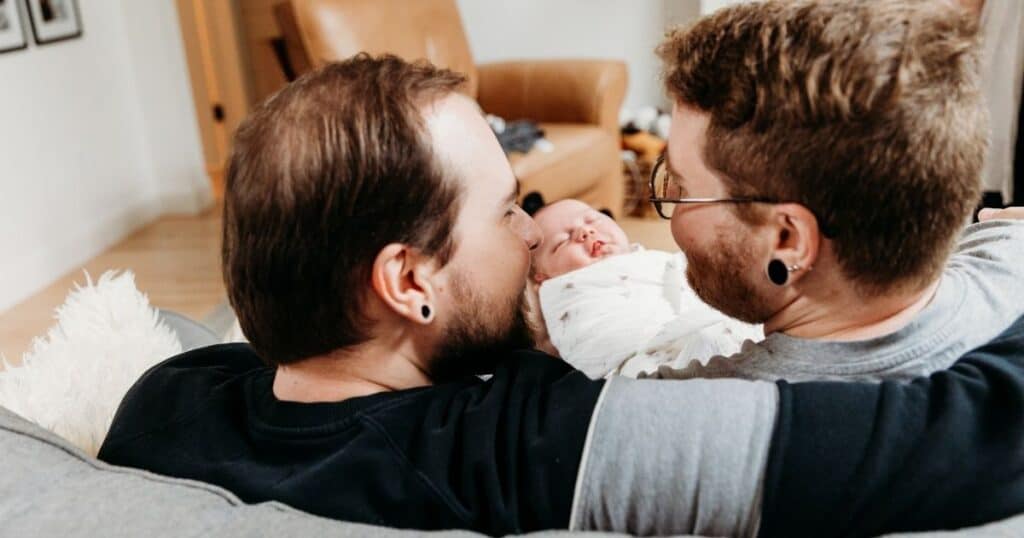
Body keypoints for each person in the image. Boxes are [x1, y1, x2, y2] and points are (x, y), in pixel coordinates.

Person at [99, 3, 1024, 537]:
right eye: (508, 209)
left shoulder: (166, 398)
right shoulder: (530, 440)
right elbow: (953, 442)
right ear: (408, 284)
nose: (534, 227)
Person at [649, 0, 1024, 383]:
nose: (669, 203)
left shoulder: (698, 406)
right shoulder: (1011, 260)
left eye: (681, 186)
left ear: (789, 240)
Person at [530, 198, 761, 378]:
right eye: (562, 242)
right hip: (653, 362)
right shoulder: (569, 297)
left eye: (592, 220)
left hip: (707, 326)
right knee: (709, 342)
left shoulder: (650, 259)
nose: (585, 233)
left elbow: (687, 277)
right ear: (542, 277)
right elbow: (592, 341)